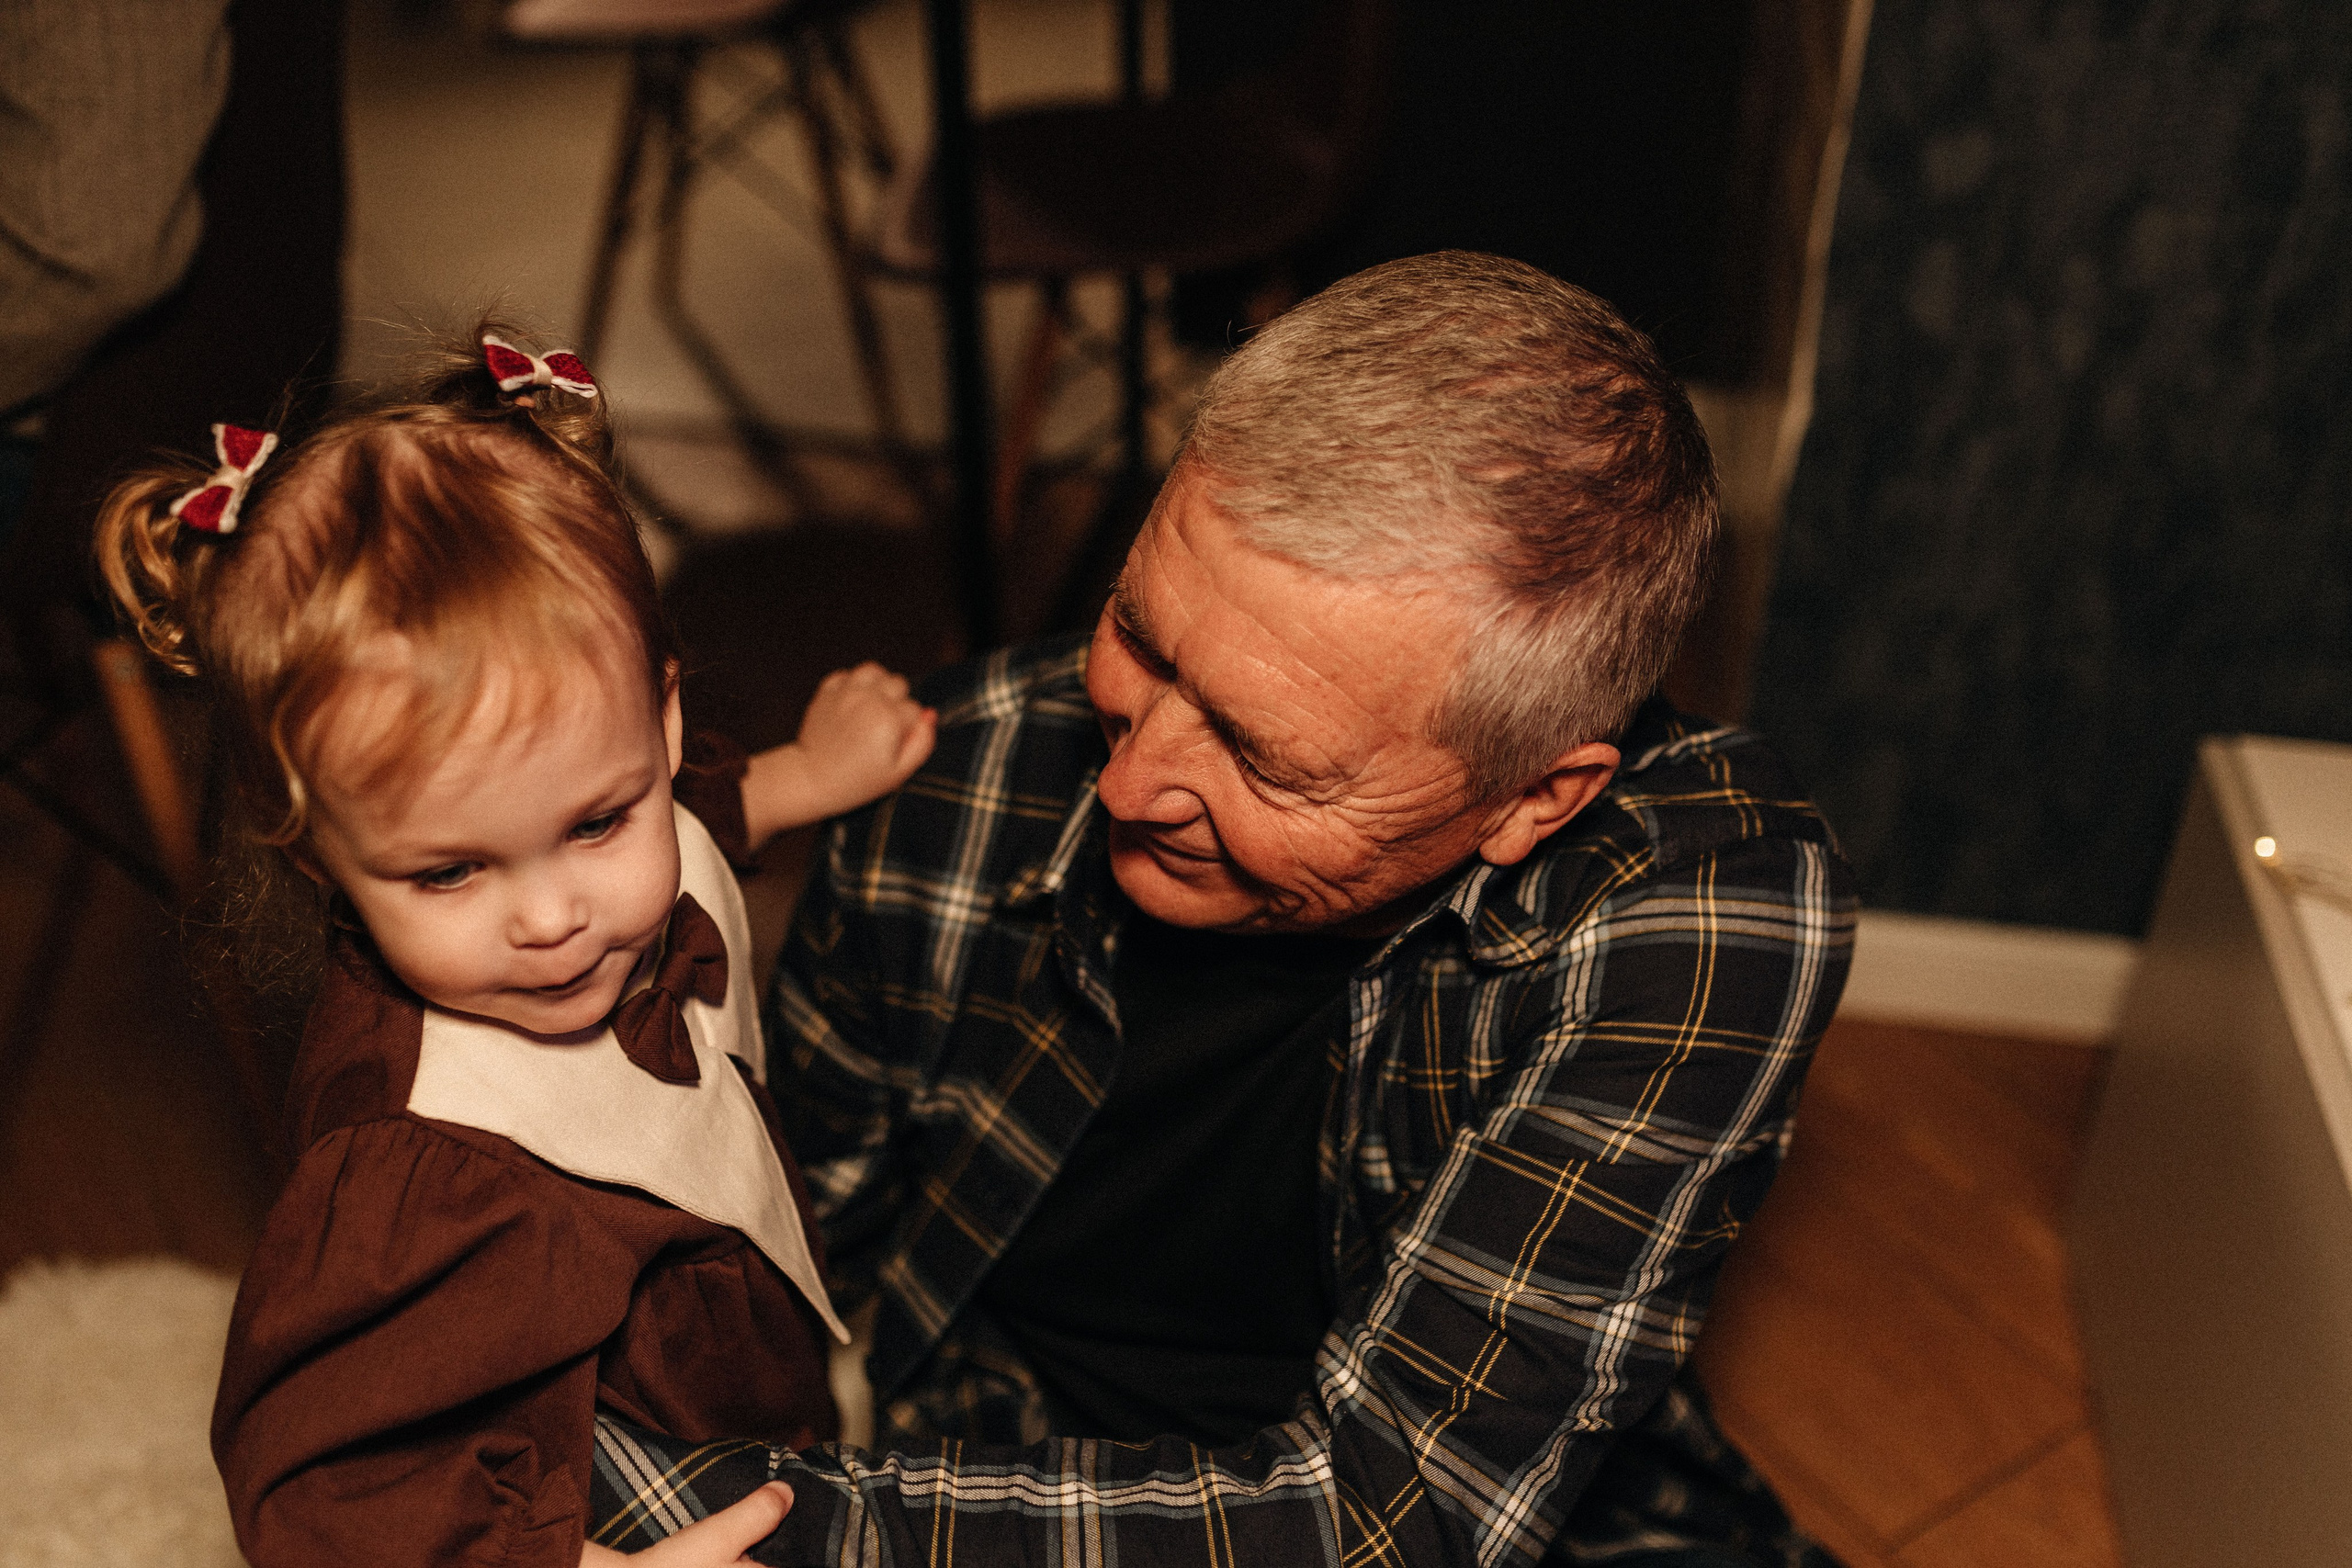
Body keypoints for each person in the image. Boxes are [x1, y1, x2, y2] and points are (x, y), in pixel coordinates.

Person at [582, 251, 1853, 1565]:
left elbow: (1392, 1519)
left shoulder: (1697, 906)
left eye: (1264, 759)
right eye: (1140, 635)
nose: (1128, 782)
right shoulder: (950, 774)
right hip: (989, 1466)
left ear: (1537, 797)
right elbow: (766, 1275)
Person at [92, 324, 936, 1568]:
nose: (552, 919)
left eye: (598, 821)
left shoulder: (636, 796)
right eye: (451, 871)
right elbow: (329, 1495)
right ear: (320, 856)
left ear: (662, 714)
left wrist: (805, 776)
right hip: (596, 1484)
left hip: (744, 1370)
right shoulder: (416, 1170)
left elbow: (692, 813)